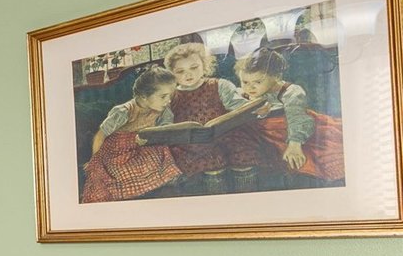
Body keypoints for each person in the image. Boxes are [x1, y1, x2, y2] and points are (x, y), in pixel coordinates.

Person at [163, 41, 262, 193]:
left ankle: (247, 198)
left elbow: (240, 107)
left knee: (242, 154)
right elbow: (166, 124)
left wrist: (256, 107)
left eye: (194, 68)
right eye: (180, 71)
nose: (188, 74)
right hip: (193, 145)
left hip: (228, 135)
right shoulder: (171, 96)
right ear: (172, 74)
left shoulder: (219, 85)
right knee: (210, 162)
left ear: (204, 66)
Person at [235, 48, 345, 184]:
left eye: (258, 82)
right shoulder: (243, 93)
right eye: (245, 82)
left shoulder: (291, 91)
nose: (250, 87)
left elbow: (297, 116)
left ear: (275, 76)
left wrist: (295, 144)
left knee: (311, 159)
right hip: (265, 134)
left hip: (295, 131)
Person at [81, 66, 182, 203]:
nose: (168, 100)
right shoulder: (123, 111)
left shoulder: (163, 110)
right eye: (163, 96)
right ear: (144, 97)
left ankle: (157, 183)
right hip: (117, 152)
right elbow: (100, 135)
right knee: (118, 172)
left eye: (170, 96)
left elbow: (165, 129)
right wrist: (94, 161)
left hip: (143, 146)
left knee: (161, 153)